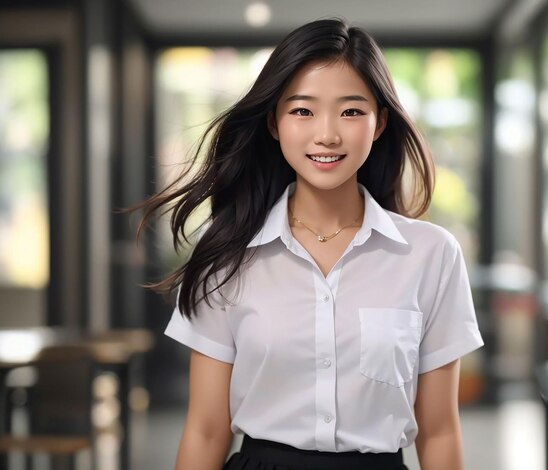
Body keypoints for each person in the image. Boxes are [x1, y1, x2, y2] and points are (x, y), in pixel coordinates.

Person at [137, 18, 484, 470]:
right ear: (274, 123)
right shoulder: (227, 255)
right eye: (302, 110)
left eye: (351, 111)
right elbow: (205, 430)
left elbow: (439, 431)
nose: (327, 134)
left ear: (379, 123)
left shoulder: (431, 254)